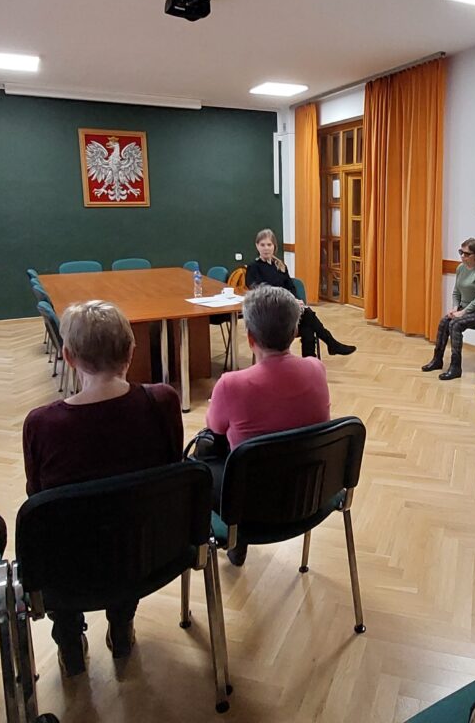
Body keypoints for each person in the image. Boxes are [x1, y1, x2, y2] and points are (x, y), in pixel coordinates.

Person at [23, 300, 183, 675]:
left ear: (67, 355)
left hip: (68, 567)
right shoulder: (162, 401)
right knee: (127, 522)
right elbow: (171, 470)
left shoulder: (42, 423)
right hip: (149, 551)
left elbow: (38, 496)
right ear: (131, 351)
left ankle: (69, 642)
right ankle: (122, 624)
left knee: (60, 533)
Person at [202, 285, 331, 565]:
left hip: (250, 504)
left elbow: (214, 427)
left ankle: (235, 539)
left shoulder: (231, 384)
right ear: (296, 333)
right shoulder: (317, 370)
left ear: (250, 338)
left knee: (203, 451)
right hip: (310, 491)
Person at [244, 228, 355, 358]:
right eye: (262, 245)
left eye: (269, 244)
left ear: (274, 246)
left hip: (287, 309)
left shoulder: (280, 266)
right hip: (269, 312)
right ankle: (328, 345)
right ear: (257, 246)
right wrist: (288, 300)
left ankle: (313, 356)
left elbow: (290, 287)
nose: (266, 248)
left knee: (307, 327)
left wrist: (295, 300)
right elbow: (259, 290)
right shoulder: (253, 267)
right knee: (308, 315)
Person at [422, 237, 475, 380]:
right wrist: (454, 308)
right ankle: (437, 359)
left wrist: (463, 312)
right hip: (466, 307)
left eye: (466, 254)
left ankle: (455, 367)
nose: (462, 256)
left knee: (456, 324)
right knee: (444, 322)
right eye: (461, 252)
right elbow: (456, 291)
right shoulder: (460, 268)